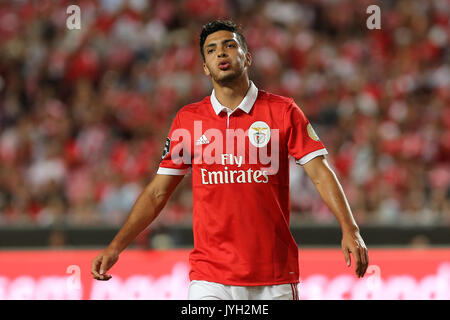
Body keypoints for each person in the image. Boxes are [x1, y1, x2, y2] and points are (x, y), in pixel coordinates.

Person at [91, 19, 369, 300]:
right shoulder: (188, 120)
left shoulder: (283, 111)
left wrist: (350, 229)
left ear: (247, 57)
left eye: (229, 45)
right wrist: (116, 246)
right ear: (204, 67)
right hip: (210, 279)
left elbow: (320, 172)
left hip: (273, 277)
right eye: (211, 50)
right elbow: (157, 192)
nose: (220, 53)